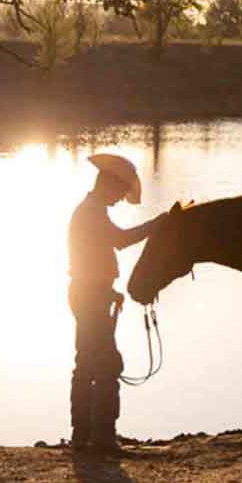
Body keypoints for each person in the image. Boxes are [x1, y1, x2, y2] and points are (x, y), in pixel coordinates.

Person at [68, 153, 159, 453]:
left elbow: (91, 258)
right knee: (107, 363)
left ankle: (83, 434)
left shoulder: (90, 210)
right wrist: (159, 224)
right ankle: (103, 437)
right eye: (120, 193)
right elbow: (120, 240)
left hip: (88, 292)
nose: (121, 199)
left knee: (86, 362)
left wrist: (110, 291)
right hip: (90, 294)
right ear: (108, 185)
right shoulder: (92, 213)